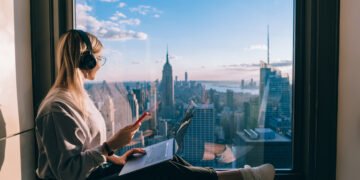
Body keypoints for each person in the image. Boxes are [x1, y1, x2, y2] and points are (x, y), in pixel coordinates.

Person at [35, 29, 275, 180]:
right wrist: (111, 146)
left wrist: (119, 158)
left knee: (169, 160)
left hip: (98, 173)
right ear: (85, 60)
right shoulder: (57, 109)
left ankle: (239, 176)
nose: (100, 63)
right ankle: (243, 177)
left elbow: (87, 152)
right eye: (98, 58)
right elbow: (67, 172)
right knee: (163, 171)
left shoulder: (78, 99)